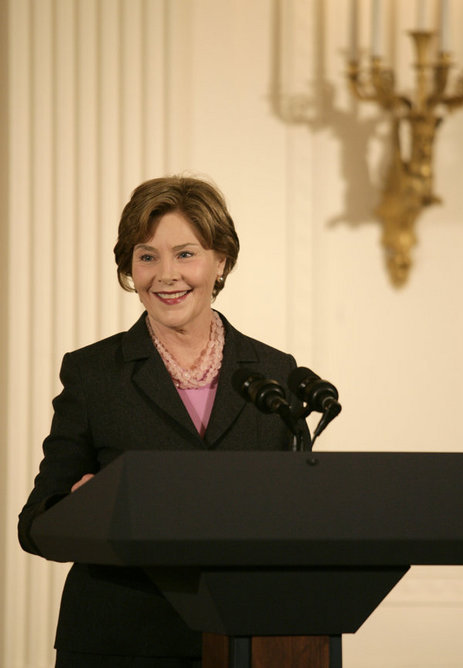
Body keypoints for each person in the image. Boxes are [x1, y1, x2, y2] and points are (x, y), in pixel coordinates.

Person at [18, 175, 309, 668]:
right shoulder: (92, 374)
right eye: (147, 256)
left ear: (221, 261)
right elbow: (35, 526)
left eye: (186, 254)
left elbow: (296, 511)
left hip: (247, 640)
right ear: (130, 268)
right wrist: (79, 508)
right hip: (120, 643)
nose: (165, 275)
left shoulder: (277, 372)